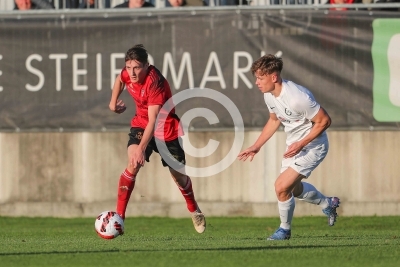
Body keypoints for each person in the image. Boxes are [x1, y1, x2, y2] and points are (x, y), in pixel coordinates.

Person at [238, 54, 340, 240]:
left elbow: (324, 121)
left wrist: (301, 143)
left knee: (281, 187)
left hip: (313, 147)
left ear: (273, 77)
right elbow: (273, 120)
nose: (257, 83)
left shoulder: (297, 97)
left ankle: (284, 230)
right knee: (292, 189)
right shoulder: (270, 96)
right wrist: (256, 146)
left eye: (260, 78)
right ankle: (328, 203)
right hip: (294, 147)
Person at [108, 44, 206, 234]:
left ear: (147, 65)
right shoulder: (128, 73)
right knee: (132, 164)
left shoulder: (156, 83)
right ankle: (119, 218)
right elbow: (120, 80)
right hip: (141, 123)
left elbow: (154, 121)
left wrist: (141, 148)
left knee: (178, 175)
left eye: (137, 67)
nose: (132, 72)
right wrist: (112, 103)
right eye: (129, 67)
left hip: (164, 128)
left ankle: (194, 209)